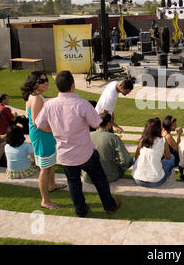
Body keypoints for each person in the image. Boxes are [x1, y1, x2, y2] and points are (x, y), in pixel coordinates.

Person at [36, 71, 121, 217]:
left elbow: (39, 124)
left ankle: (81, 210)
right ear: (73, 85)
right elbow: (96, 124)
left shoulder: (50, 104)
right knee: (100, 179)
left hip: (65, 154)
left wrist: (55, 131)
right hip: (85, 152)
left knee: (74, 183)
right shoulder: (82, 104)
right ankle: (109, 205)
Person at [21, 71, 65, 210]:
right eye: (42, 81)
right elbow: (36, 123)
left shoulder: (36, 96)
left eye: (46, 80)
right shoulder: (36, 98)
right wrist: (54, 131)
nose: (45, 82)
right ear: (34, 83)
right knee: (45, 168)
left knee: (51, 162)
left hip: (44, 135)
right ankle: (45, 200)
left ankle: (52, 185)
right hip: (41, 135)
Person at [82, 113, 134, 184]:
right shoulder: (113, 138)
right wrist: (119, 164)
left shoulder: (87, 135)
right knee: (131, 160)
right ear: (109, 124)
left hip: (88, 176)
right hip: (109, 176)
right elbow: (126, 160)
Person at [132, 118, 174, 187]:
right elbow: (168, 157)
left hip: (138, 180)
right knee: (171, 159)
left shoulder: (142, 140)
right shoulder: (163, 141)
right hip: (155, 181)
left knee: (135, 160)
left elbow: (136, 158)